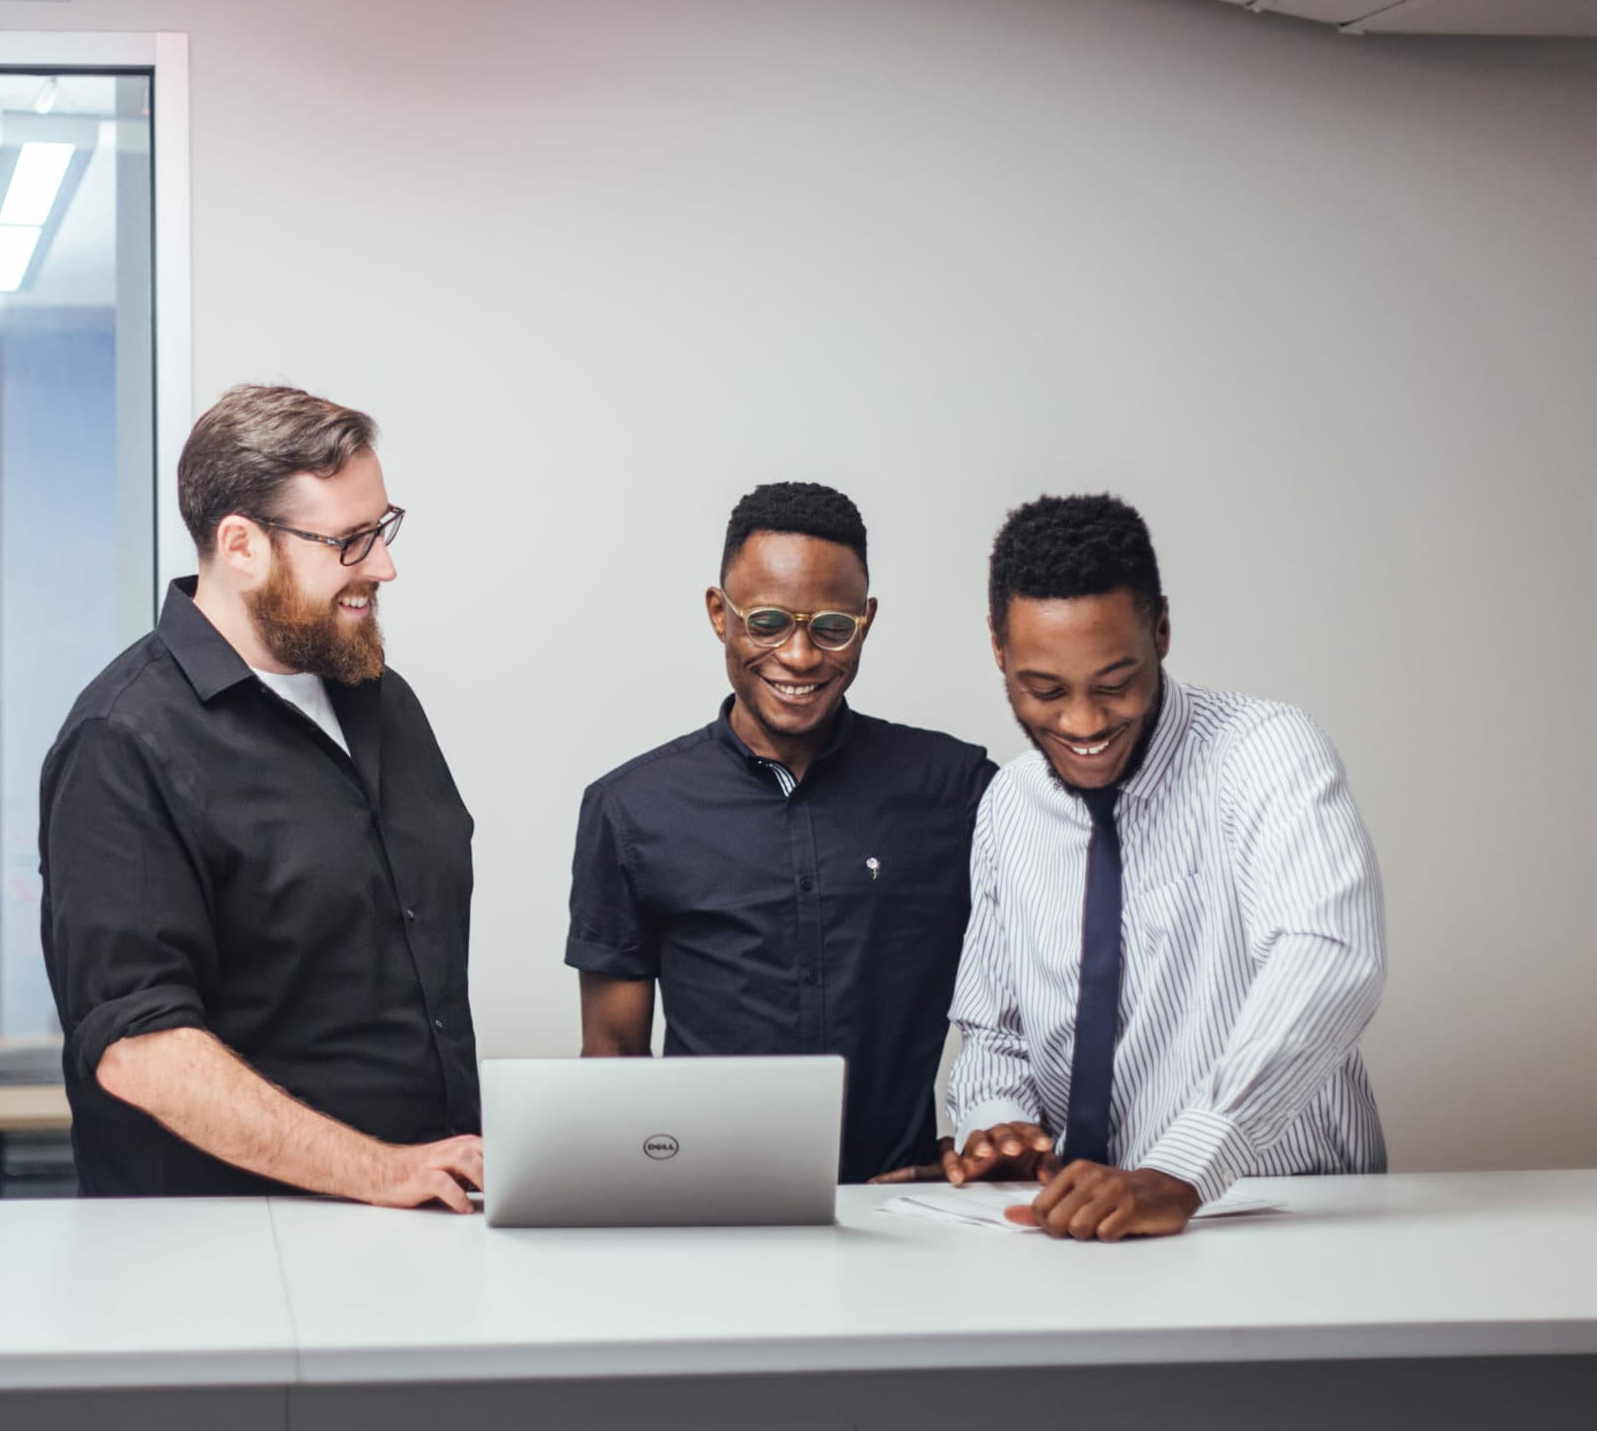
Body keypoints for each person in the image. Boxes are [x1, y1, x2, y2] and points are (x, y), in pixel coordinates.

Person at [38, 383, 482, 1208]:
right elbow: (140, 1047)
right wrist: (381, 1171)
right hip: (215, 1259)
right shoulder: (122, 740)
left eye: (382, 530)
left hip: (421, 1224)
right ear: (241, 545)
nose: (383, 566)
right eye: (349, 541)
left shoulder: (382, 698)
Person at [945, 493, 1386, 1240]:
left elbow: (1330, 958)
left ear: (1162, 630)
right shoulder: (1010, 806)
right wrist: (1002, 1126)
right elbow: (996, 1031)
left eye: (1115, 683)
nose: (1083, 723)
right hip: (1080, 1240)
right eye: (1044, 689)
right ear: (998, 648)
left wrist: (1181, 1170)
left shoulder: (1268, 753)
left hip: (1284, 1224)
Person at [568, 482, 995, 1184]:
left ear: (866, 620)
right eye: (766, 621)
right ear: (718, 614)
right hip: (706, 1212)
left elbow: (1033, 996)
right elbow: (612, 1053)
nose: (798, 657)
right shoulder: (631, 808)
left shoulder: (958, 790)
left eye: (831, 627)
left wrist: (982, 1138)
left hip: (906, 1220)